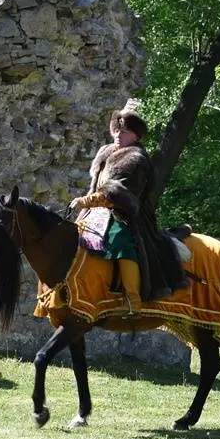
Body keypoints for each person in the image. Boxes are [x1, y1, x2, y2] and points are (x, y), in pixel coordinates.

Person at [68, 101, 187, 316]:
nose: (118, 134)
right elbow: (96, 187)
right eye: (117, 130)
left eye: (125, 131)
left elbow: (118, 193)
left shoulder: (136, 160)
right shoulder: (105, 153)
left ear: (136, 136)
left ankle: (133, 300)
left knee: (120, 240)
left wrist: (85, 202)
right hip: (96, 211)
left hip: (128, 214)